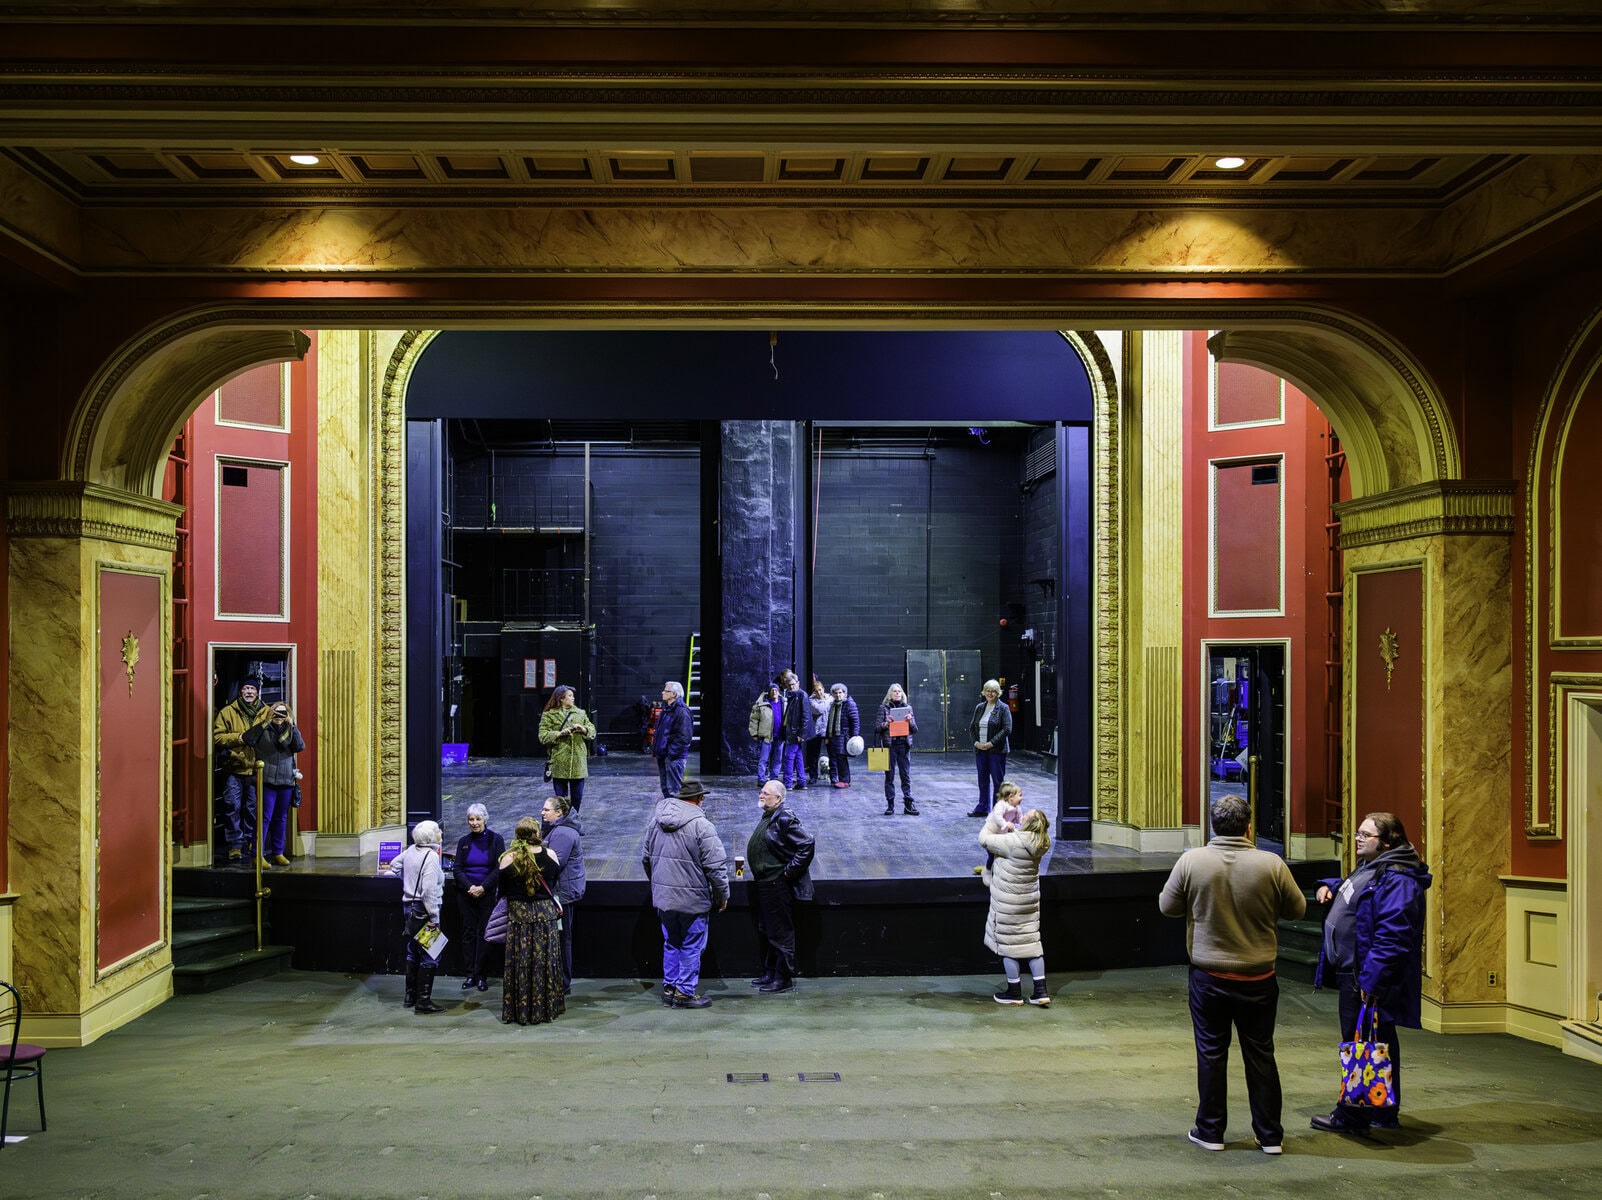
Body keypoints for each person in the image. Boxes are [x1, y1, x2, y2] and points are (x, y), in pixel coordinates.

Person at [1158, 795, 1306, 1155]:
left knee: (1211, 1053)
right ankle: (1270, 1136)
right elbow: (1298, 909)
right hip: (1259, 978)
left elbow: (1167, 907)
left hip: (1209, 977)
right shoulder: (1272, 864)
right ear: (1249, 827)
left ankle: (1210, 1131)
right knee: (1261, 1053)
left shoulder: (1192, 861)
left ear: (1213, 827)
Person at [1309, 811, 1432, 1136]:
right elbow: (1358, 893)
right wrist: (1329, 887)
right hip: (1357, 972)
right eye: (1358, 833)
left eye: (1366, 835)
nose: (1358, 839)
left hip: (1364, 977)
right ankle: (1382, 1111)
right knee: (1378, 1041)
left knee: (1360, 1043)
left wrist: (1372, 980)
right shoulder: (1374, 866)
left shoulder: (1400, 879)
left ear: (1387, 842)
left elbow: (1393, 936)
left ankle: (1352, 1116)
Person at [642, 779, 730, 1009]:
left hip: (665, 898)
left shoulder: (655, 821)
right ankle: (684, 993)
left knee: (672, 942)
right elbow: (715, 866)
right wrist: (722, 895)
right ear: (699, 799)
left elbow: (646, 859)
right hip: (693, 900)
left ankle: (670, 989)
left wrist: (659, 886)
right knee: (692, 944)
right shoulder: (702, 826)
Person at [746, 781, 816, 994]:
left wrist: (790, 871)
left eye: (766, 793)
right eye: (761, 792)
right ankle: (770, 972)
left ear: (778, 799)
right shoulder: (770, 815)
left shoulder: (785, 817)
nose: (761, 795)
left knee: (780, 932)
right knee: (768, 929)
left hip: (777, 883)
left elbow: (807, 843)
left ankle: (783, 977)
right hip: (765, 883)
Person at [980, 803, 1051, 1006]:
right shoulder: (1042, 842)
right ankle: (1040, 991)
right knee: (1031, 944)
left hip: (1008, 903)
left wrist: (994, 819)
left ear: (1030, 823)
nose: (1024, 813)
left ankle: (1014, 992)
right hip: (1028, 902)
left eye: (1027, 814)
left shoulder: (1013, 841)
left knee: (1009, 946)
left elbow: (984, 839)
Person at [497, 816, 565, 1026]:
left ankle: (521, 1010)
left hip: (519, 916)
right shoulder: (550, 855)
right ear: (537, 834)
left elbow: (502, 889)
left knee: (521, 962)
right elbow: (554, 881)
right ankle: (545, 1008)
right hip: (545, 915)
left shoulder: (507, 858)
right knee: (545, 961)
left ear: (517, 835)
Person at [211, 681, 273, 863]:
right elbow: (217, 737)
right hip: (234, 768)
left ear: (257, 692)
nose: (249, 692)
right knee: (232, 806)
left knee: (253, 809)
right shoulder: (227, 712)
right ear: (240, 692)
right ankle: (235, 845)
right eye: (246, 688)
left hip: (256, 769)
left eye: (252, 689)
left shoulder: (267, 712)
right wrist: (239, 738)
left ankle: (252, 841)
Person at [390, 819, 447, 1015]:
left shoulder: (411, 851)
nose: (441, 833)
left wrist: (407, 882)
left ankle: (410, 995)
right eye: (438, 830)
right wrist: (434, 918)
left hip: (409, 908)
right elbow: (429, 891)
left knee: (413, 951)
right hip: (424, 910)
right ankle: (423, 1000)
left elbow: (394, 865)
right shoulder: (430, 857)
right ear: (431, 837)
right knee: (430, 955)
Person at [241, 701, 305, 868]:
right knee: (264, 818)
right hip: (267, 781)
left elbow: (300, 746)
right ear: (270, 713)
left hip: (286, 781)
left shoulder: (290, 730)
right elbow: (247, 738)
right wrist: (266, 722)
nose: (279, 717)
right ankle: (257, 855)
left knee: (281, 818)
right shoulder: (264, 728)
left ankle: (278, 853)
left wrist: (292, 725)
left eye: (283, 713)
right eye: (276, 713)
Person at [451, 803, 505, 993]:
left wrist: (482, 887)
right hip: (466, 894)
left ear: (485, 819)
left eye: (478, 819)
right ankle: (470, 974)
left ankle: (481, 975)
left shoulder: (496, 840)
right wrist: (470, 887)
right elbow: (457, 869)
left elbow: (499, 868)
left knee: (484, 934)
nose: (474, 823)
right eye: (471, 819)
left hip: (487, 894)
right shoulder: (464, 841)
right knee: (468, 933)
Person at [541, 793, 587, 996]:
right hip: (562, 891)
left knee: (562, 939)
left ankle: (562, 983)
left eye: (546, 810)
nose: (542, 812)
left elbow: (554, 864)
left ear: (558, 813)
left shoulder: (562, 834)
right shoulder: (558, 830)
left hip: (562, 894)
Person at [538, 684, 596, 811]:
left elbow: (592, 731)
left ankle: (574, 819)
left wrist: (583, 729)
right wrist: (559, 734)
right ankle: (562, 819)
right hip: (559, 761)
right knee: (561, 799)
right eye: (570, 696)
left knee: (577, 797)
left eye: (573, 696)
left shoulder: (580, 713)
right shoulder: (549, 715)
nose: (573, 698)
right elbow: (542, 736)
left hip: (578, 762)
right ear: (561, 698)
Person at [968, 679, 1013, 817]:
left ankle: (996, 811)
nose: (990, 693)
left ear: (998, 693)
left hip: (996, 751)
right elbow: (972, 727)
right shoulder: (980, 707)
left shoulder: (1003, 708)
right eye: (988, 691)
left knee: (998, 782)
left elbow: (1007, 729)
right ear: (984, 692)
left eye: (993, 691)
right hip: (980, 750)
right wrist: (976, 743)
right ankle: (982, 808)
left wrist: (991, 743)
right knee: (982, 780)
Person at [874, 683, 919, 815]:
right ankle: (890, 805)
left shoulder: (908, 708)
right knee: (889, 776)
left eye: (899, 691)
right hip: (890, 746)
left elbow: (915, 729)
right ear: (890, 694)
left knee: (905, 775)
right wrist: (886, 723)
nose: (897, 693)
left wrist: (910, 721)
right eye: (894, 691)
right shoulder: (883, 708)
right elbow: (877, 728)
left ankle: (908, 805)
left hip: (903, 745)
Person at [653, 680, 695, 798]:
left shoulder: (682, 711)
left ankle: (675, 810)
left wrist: (671, 754)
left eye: (666, 691)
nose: (662, 693)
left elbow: (684, 737)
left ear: (674, 694)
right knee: (666, 789)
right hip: (664, 756)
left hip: (673, 758)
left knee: (674, 790)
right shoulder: (667, 709)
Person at [976, 779, 1025, 876]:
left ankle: (997, 871)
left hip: (1001, 836)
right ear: (1011, 796)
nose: (1022, 798)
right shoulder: (1001, 805)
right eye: (1020, 795)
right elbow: (997, 817)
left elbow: (1020, 820)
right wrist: (1005, 824)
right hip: (990, 834)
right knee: (992, 855)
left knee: (1000, 855)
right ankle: (987, 871)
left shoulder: (1017, 808)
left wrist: (1025, 825)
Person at [824, 682, 860, 789]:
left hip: (844, 735)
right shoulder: (833, 704)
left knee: (841, 758)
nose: (838, 695)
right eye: (835, 693)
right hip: (834, 736)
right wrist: (827, 736)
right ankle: (840, 779)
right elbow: (829, 721)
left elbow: (855, 721)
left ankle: (845, 780)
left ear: (844, 693)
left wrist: (854, 737)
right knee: (837, 758)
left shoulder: (849, 704)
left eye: (840, 692)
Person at [778, 671, 809, 790]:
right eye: (789, 685)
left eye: (793, 684)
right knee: (798, 756)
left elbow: (805, 716)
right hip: (792, 731)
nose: (791, 686)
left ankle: (787, 783)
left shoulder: (801, 695)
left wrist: (801, 733)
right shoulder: (793, 695)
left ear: (798, 683)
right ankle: (801, 782)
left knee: (789, 757)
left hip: (795, 733)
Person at [748, 683, 782, 784]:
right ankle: (761, 779)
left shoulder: (784, 703)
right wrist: (754, 733)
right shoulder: (762, 704)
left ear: (779, 692)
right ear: (769, 692)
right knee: (764, 759)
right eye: (772, 690)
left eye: (776, 690)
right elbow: (754, 719)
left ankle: (774, 778)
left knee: (777, 759)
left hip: (780, 736)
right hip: (767, 736)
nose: (774, 692)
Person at [804, 677, 831, 786]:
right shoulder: (810, 700)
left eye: (820, 690)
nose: (818, 692)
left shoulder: (830, 697)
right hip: (815, 731)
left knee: (832, 754)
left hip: (828, 730)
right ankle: (813, 777)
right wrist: (829, 701)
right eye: (816, 690)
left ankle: (833, 776)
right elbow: (819, 709)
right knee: (813, 755)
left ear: (823, 689)